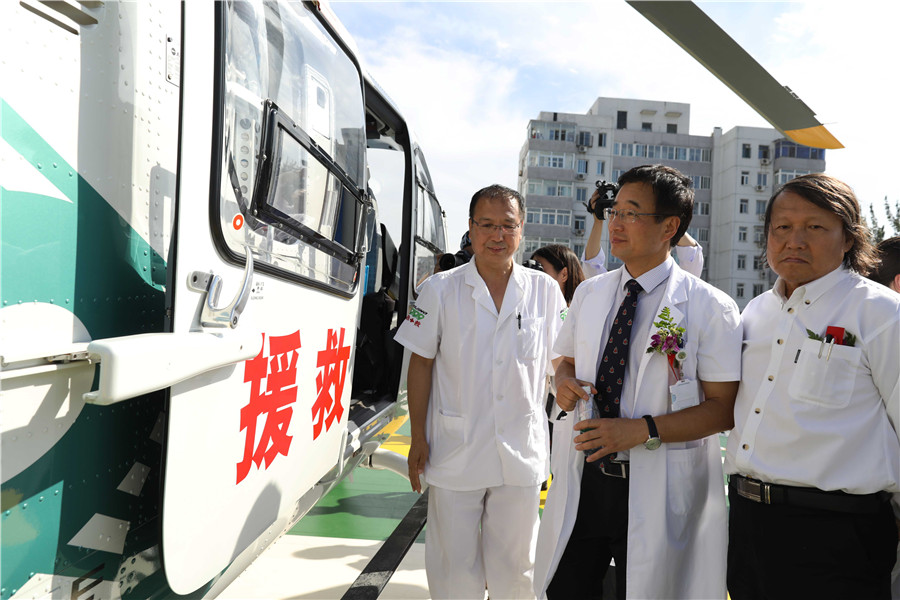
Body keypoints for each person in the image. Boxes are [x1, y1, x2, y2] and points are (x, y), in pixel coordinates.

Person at [535, 165, 742, 600]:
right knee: (566, 587)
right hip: (586, 479)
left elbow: (723, 408)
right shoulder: (592, 294)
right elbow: (564, 360)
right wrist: (566, 381)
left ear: (670, 226)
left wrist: (640, 431)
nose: (616, 223)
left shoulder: (710, 307)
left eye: (632, 213)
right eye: (614, 211)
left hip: (658, 482)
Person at [724, 173, 899, 599]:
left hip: (839, 534)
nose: (794, 241)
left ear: (848, 239)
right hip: (747, 523)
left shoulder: (880, 314)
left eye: (815, 227)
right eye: (782, 227)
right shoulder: (755, 312)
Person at [395, 184, 566, 600]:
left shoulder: (545, 291)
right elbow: (420, 364)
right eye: (487, 224)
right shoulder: (439, 289)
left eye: (508, 225)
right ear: (470, 229)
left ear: (522, 230)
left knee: (517, 567)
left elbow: (561, 361)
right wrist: (418, 436)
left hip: (520, 451)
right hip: (456, 448)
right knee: (454, 566)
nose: (497, 235)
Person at [582, 186, 705, 278]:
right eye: (613, 213)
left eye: (631, 214)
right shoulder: (606, 288)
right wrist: (598, 219)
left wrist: (665, 219)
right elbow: (591, 267)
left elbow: (692, 257)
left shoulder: (679, 285)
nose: (615, 227)